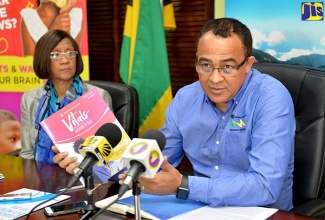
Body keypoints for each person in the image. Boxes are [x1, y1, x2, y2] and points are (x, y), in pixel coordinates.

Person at [118, 18, 295, 211]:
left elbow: (265, 187)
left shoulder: (271, 98)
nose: (214, 78)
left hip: (262, 213)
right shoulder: (186, 98)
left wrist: (183, 185)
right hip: (200, 209)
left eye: (227, 67)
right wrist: (139, 171)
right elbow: (161, 160)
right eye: (205, 65)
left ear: (248, 64)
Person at [20, 30, 112, 172]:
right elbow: (27, 154)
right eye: (56, 55)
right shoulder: (30, 99)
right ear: (44, 59)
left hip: (87, 178)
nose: (65, 60)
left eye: (70, 53)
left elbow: (110, 155)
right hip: (41, 180)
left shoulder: (97, 96)